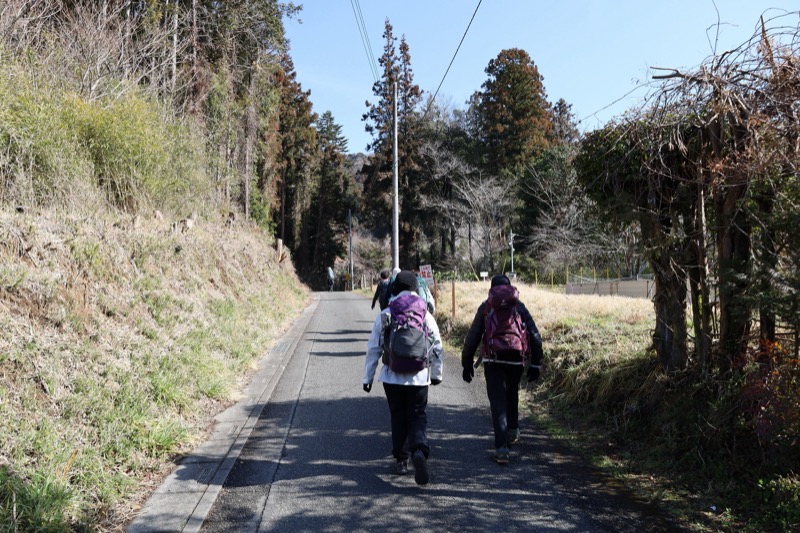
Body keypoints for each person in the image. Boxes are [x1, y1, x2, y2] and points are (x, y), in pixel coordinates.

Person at [363, 270, 444, 485]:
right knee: (417, 415)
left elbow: (374, 348)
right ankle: (419, 449)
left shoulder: (387, 313)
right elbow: (437, 344)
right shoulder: (424, 313)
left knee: (398, 416)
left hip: (392, 377)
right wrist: (436, 374)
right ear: (416, 289)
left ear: (395, 289)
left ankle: (401, 460)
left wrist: (367, 378)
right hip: (419, 375)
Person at [461, 274, 544, 464]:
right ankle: (513, 430)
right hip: (516, 359)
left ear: (491, 289)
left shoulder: (486, 307)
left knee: (498, 403)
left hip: (493, 360)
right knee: (512, 393)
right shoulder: (519, 306)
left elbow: (472, 337)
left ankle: (502, 449)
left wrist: (467, 364)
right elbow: (534, 335)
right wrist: (536, 363)